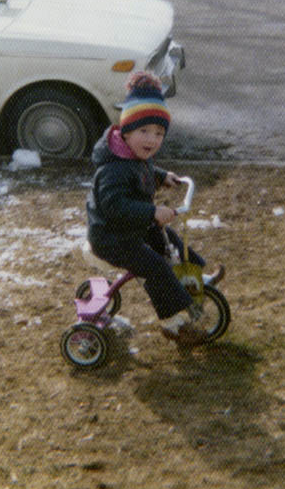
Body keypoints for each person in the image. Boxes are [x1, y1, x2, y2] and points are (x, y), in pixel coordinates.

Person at [86, 71, 224, 346]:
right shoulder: (113, 170)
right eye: (144, 131)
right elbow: (114, 206)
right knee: (156, 267)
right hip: (111, 237)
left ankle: (195, 278)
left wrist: (162, 176)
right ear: (126, 131)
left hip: (130, 228)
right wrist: (151, 212)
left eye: (159, 133)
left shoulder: (136, 154)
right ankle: (173, 324)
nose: (152, 139)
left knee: (169, 239)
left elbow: (145, 168)